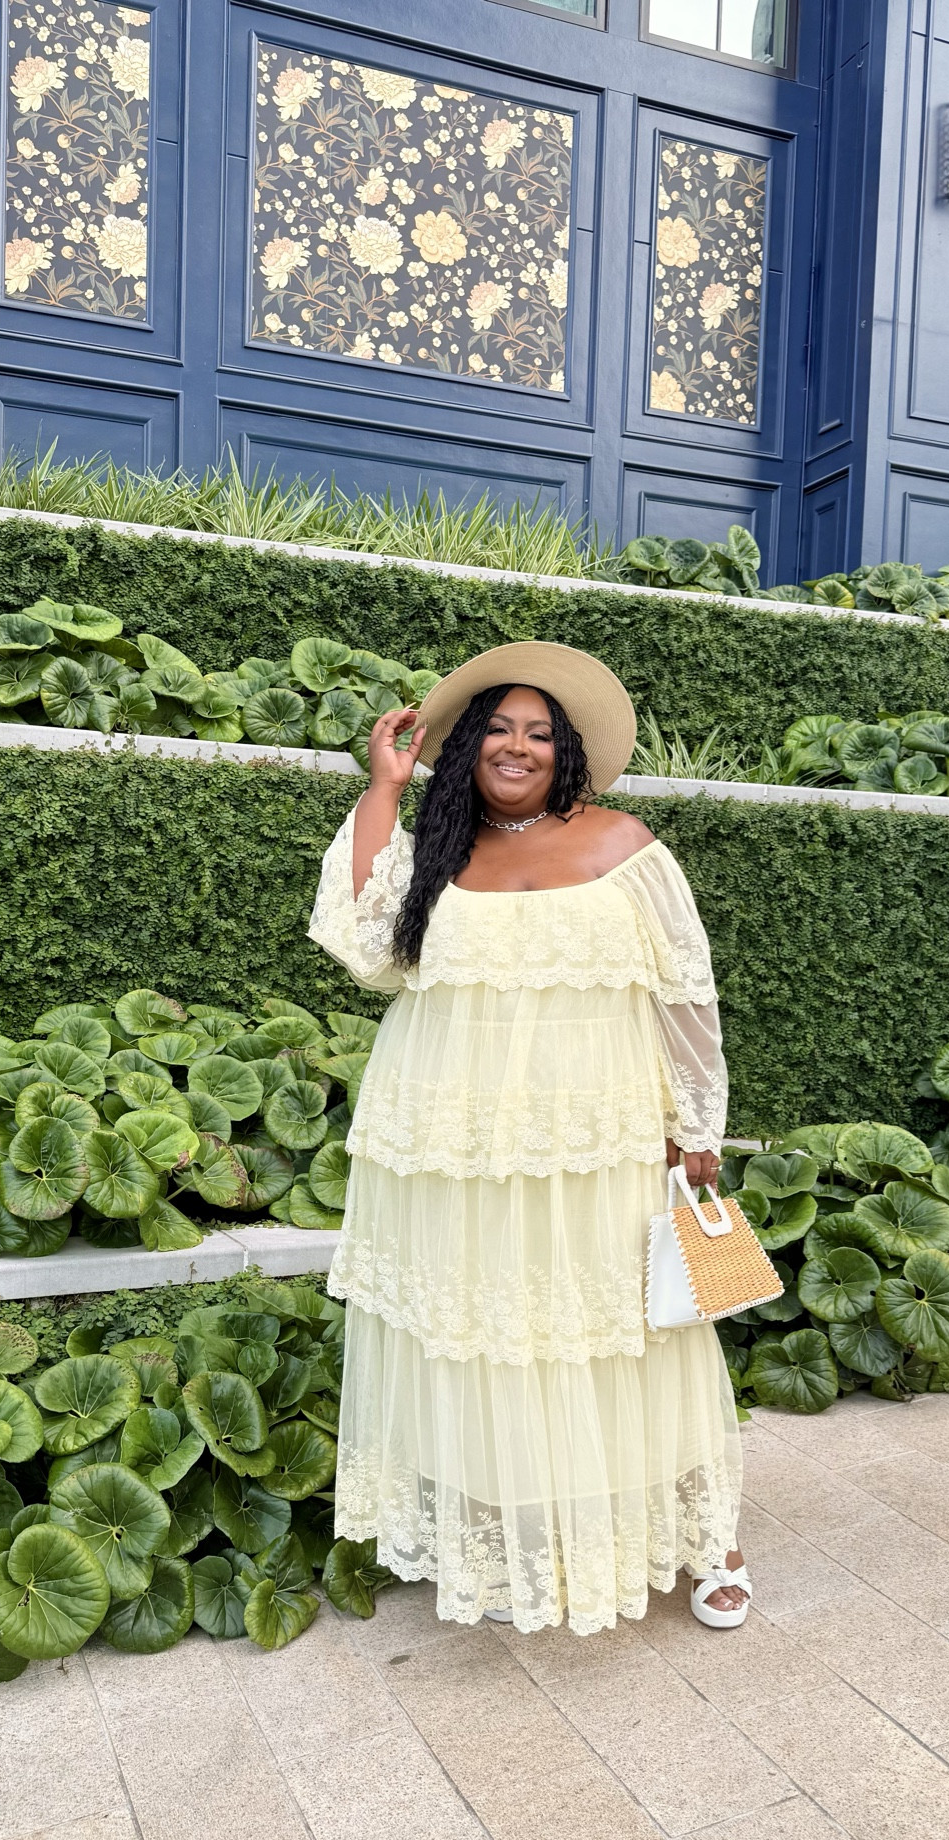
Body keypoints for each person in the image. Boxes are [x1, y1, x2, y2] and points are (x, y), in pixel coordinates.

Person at [307, 642, 749, 1634]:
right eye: (499, 728)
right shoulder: (440, 854)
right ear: (465, 746)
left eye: (540, 732)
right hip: (456, 1144)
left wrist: (698, 1128)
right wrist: (384, 787)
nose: (517, 745)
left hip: (600, 1138)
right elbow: (359, 941)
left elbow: (687, 993)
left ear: (568, 753)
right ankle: (521, 1544)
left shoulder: (626, 845)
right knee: (490, 1339)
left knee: (636, 1335)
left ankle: (711, 1542)